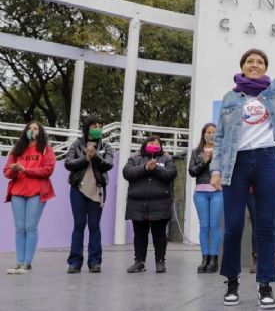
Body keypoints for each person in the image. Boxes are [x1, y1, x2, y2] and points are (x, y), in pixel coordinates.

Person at [210, 14, 275, 308]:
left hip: (268, 160)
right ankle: (231, 282)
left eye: (259, 62)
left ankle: (265, 285)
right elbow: (219, 139)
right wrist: (216, 169)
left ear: (265, 68)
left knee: (266, 227)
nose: (254, 64)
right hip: (236, 164)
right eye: (249, 61)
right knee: (232, 227)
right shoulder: (231, 98)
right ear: (242, 67)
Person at [4, 121, 56, 274]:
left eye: (36, 128)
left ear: (40, 133)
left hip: (37, 192)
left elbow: (48, 170)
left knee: (30, 227)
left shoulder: (46, 150)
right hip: (17, 192)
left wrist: (26, 170)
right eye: (30, 128)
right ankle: (19, 262)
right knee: (20, 228)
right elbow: (7, 172)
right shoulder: (16, 150)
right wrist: (14, 170)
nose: (32, 130)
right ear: (25, 131)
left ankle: (27, 262)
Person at [65, 116, 114, 273]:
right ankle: (74, 262)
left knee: (94, 225)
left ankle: (94, 261)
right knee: (79, 224)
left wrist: (95, 157)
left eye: (100, 125)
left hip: (97, 189)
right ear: (87, 128)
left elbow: (108, 165)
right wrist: (85, 159)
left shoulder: (106, 146)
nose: (97, 128)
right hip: (78, 189)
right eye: (94, 125)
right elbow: (68, 163)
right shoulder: (76, 145)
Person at [123, 135, 177, 274]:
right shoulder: (135, 158)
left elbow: (170, 174)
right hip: (137, 204)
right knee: (140, 234)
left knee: (159, 234)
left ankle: (160, 261)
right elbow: (127, 172)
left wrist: (155, 169)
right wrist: (145, 168)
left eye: (157, 143)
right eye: (151, 142)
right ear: (145, 144)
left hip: (160, 204)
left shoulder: (167, 159)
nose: (155, 144)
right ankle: (139, 262)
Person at [189, 122, 222, 273]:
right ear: (203, 134)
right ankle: (205, 258)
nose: (211, 135)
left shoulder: (222, 150)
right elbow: (192, 172)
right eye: (208, 132)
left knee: (214, 226)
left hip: (218, 192)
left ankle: (214, 259)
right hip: (201, 192)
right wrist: (204, 161)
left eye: (214, 132)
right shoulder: (196, 152)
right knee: (204, 226)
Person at [247, 167, 275, 274]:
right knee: (256, 225)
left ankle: (274, 259)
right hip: (253, 190)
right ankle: (257, 260)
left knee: (274, 225)